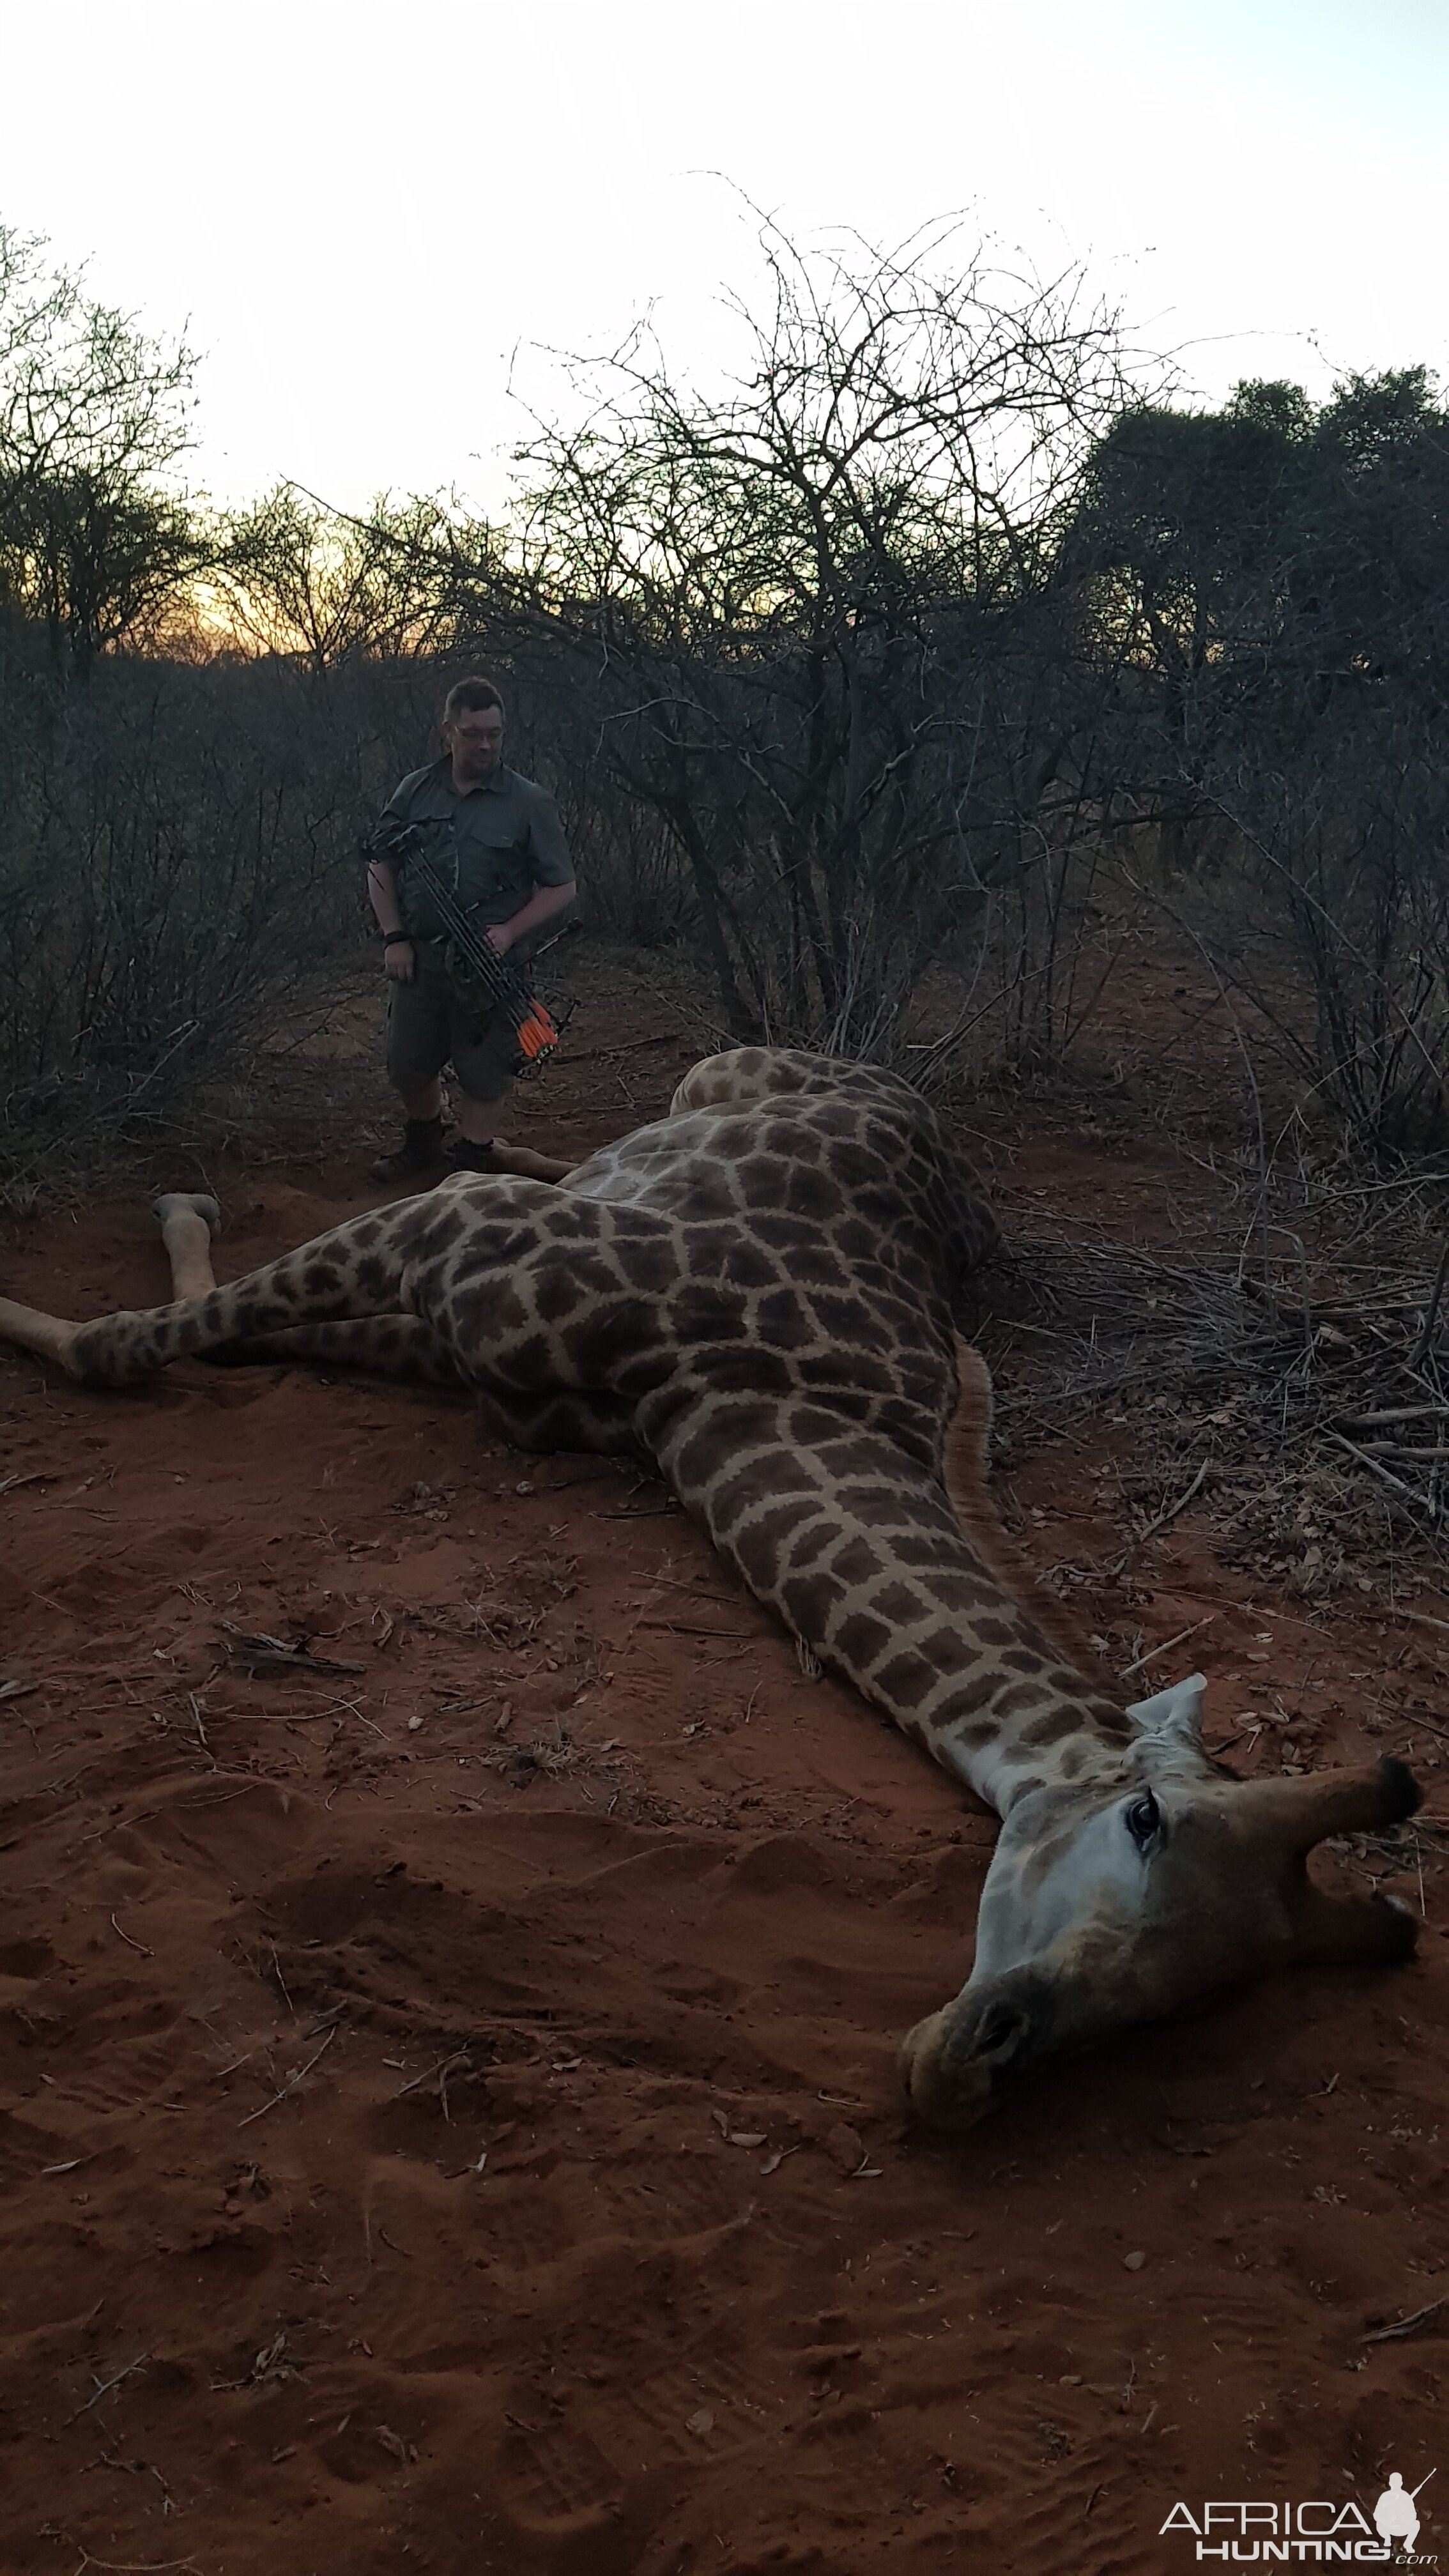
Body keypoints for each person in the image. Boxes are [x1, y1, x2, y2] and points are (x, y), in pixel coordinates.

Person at [365, 676, 577, 1182]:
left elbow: (562, 888)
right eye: (473, 733)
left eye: (494, 734)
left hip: (492, 969)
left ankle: (471, 1165)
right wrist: (394, 935)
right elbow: (380, 864)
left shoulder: (529, 802)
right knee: (407, 1064)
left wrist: (508, 931)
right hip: (421, 960)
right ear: (448, 733)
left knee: (486, 1072)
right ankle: (423, 1145)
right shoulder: (413, 791)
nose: (485, 745)